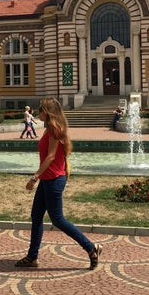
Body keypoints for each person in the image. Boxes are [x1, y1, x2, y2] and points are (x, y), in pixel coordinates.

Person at [15, 97, 102, 269]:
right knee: (36, 216)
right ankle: (32, 257)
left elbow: (51, 156)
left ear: (47, 112)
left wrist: (34, 177)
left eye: (40, 109)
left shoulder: (54, 129)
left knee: (58, 219)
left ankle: (91, 247)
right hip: (49, 179)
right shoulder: (50, 129)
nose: (37, 111)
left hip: (53, 179)